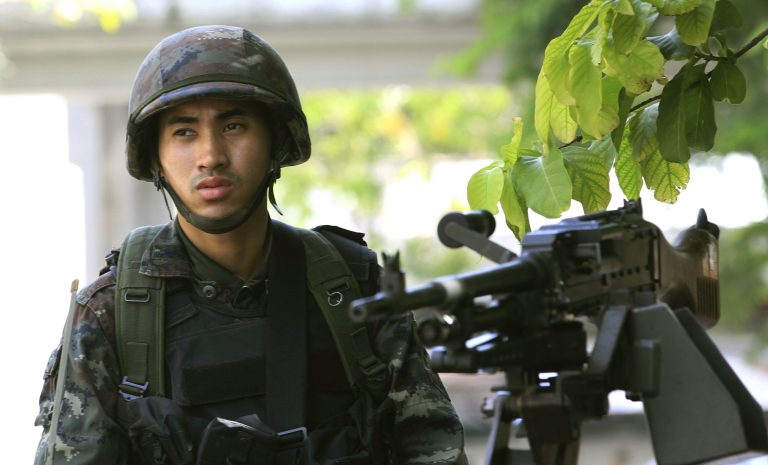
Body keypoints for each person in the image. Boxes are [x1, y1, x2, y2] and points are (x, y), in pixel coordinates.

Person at [34, 25, 466, 465]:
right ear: (155, 158)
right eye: (184, 132)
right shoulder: (111, 315)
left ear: (275, 142)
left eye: (234, 125)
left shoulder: (350, 290)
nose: (211, 156)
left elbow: (433, 446)